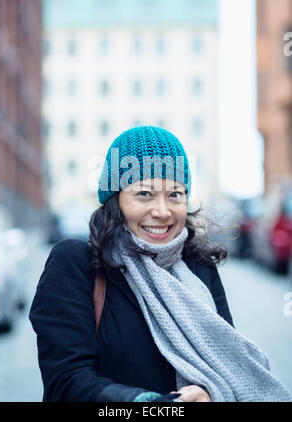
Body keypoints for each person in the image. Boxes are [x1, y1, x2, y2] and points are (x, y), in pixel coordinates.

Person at [29, 126, 292, 402]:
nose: (163, 211)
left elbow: (231, 368)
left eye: (175, 195)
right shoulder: (77, 264)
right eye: (144, 194)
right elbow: (67, 382)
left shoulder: (199, 267)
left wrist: (210, 394)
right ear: (115, 201)